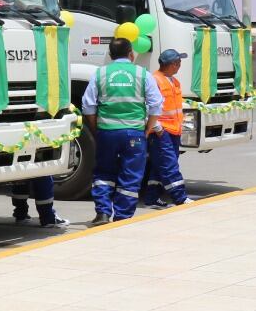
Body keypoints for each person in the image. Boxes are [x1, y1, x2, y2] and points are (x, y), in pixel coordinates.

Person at [81, 37, 163, 225]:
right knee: (131, 175)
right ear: (131, 54)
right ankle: (122, 216)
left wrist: (96, 128)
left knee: (103, 173)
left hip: (107, 132)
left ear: (110, 55)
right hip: (134, 133)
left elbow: (88, 105)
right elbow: (156, 105)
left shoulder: (100, 74)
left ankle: (102, 213)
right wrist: (148, 130)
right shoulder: (143, 74)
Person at [144, 47, 191, 208]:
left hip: (173, 130)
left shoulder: (173, 81)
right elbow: (148, 106)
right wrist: (156, 127)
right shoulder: (155, 79)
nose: (180, 65)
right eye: (178, 62)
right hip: (161, 131)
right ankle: (180, 197)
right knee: (169, 165)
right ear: (172, 64)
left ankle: (151, 198)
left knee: (160, 165)